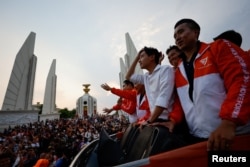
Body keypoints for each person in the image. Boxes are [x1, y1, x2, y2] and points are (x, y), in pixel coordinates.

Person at [164, 18, 250, 151]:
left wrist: (229, 122)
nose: (177, 38)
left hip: (234, 135)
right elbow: (180, 102)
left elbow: (242, 79)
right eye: (175, 36)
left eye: (181, 32)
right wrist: (173, 120)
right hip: (200, 138)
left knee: (238, 161)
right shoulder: (178, 70)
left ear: (196, 32)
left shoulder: (218, 47)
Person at [126, 46, 175, 123]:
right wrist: (136, 58)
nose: (139, 60)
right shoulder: (146, 76)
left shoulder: (165, 70)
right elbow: (128, 76)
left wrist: (149, 121)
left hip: (167, 120)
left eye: (142, 56)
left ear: (152, 57)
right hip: (155, 119)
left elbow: (163, 98)